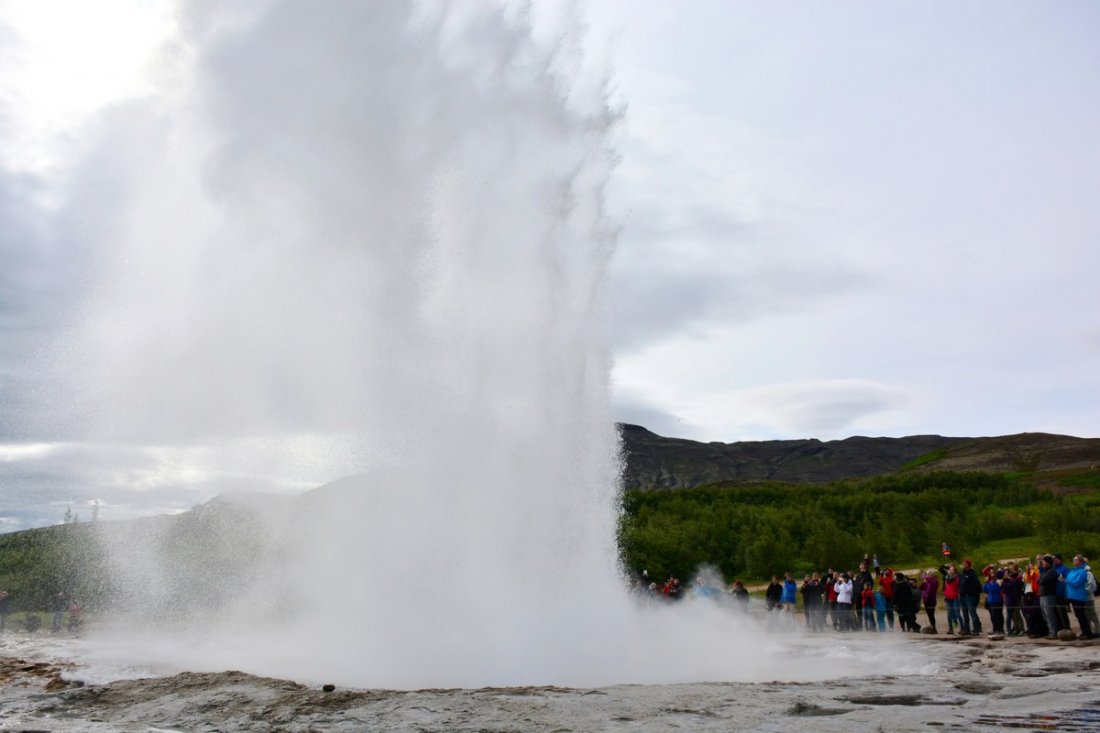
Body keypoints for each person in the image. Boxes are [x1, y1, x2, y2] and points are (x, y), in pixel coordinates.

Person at [1064, 555, 1095, 639]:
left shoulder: (1082, 571)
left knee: (1082, 616)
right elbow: (1069, 582)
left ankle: (1087, 633)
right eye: (1073, 560)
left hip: (1079, 597)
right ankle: (1084, 632)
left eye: (1075, 560)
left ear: (1080, 561)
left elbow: (1076, 583)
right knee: (1078, 616)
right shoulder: (1072, 571)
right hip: (1072, 596)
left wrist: (1066, 580)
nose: (1073, 561)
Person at [1037, 554, 1061, 638]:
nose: (1042, 563)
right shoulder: (1045, 571)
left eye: (1044, 562)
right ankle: (1050, 631)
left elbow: (1042, 581)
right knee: (1045, 615)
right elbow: (1038, 580)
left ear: (1048, 562)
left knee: (1049, 614)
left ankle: (1053, 632)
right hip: (1042, 595)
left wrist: (1041, 579)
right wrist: (1040, 579)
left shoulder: (1052, 571)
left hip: (1049, 595)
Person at [958, 560, 983, 635]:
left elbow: (976, 586)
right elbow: (960, 584)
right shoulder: (962, 574)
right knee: (965, 614)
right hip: (962, 596)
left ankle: (976, 629)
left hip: (970, 596)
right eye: (963, 564)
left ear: (968, 565)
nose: (963, 565)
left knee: (972, 613)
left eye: (965, 564)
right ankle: (966, 629)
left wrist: (970, 593)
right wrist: (960, 591)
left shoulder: (972, 574)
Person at [1001, 567, 1026, 636]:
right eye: (1005, 574)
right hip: (1009, 601)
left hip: (1016, 599)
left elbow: (1018, 584)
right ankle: (1015, 629)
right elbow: (1005, 589)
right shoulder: (1005, 582)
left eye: (1006, 574)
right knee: (1012, 616)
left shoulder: (1013, 579)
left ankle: (1022, 629)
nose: (1006, 575)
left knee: (1018, 614)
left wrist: (1018, 577)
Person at [939, 564, 961, 634]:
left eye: (951, 569)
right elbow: (940, 569)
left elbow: (952, 581)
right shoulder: (947, 575)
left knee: (956, 612)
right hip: (947, 595)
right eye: (949, 569)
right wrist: (945, 565)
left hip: (955, 596)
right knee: (949, 613)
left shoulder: (956, 576)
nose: (949, 570)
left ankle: (961, 627)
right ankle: (950, 628)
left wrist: (948, 574)